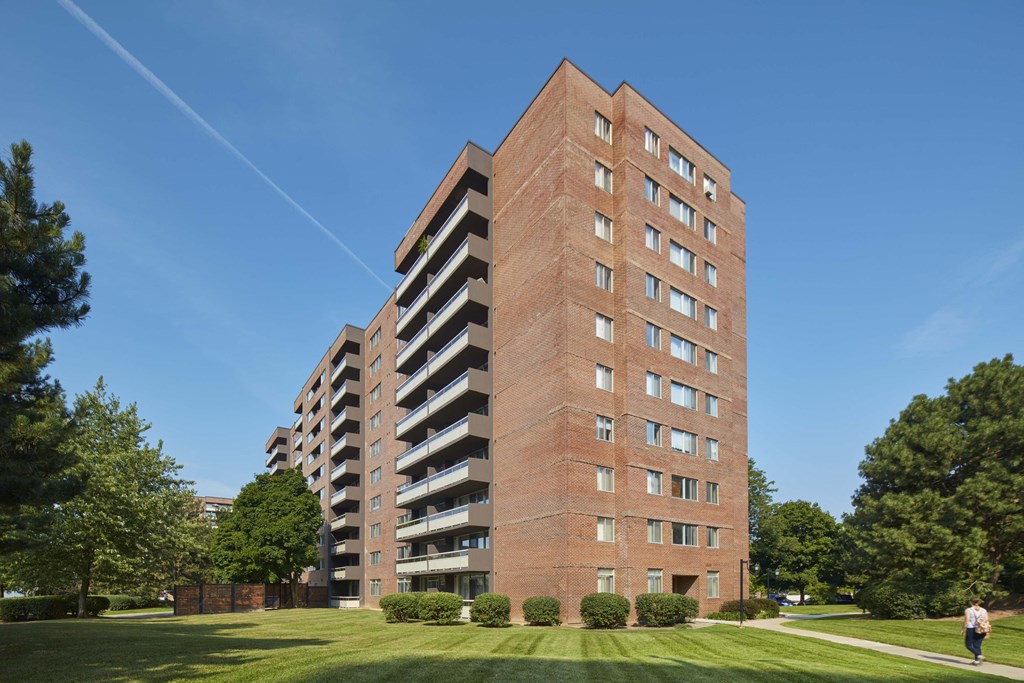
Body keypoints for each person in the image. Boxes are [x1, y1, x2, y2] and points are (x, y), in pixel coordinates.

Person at [960, 597, 989, 665]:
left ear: (971, 602)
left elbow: (967, 621)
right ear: (979, 602)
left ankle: (979, 655)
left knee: (968, 645)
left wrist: (963, 629)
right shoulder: (984, 610)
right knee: (977, 645)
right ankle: (977, 661)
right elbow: (986, 621)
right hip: (981, 628)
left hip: (971, 628)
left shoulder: (968, 610)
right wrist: (987, 632)